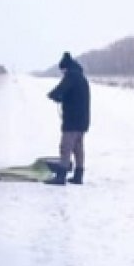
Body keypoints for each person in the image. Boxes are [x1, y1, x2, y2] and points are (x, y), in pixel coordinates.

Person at [46, 52, 91, 185]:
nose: (63, 73)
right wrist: (61, 97)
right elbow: (71, 94)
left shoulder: (71, 75)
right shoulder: (81, 77)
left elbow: (61, 89)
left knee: (65, 147)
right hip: (82, 120)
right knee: (78, 148)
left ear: (66, 67)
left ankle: (61, 176)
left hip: (72, 119)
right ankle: (78, 175)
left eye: (63, 71)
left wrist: (53, 95)